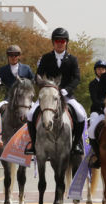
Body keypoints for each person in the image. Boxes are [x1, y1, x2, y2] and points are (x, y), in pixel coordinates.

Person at [25, 27, 87, 156]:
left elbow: (76, 78)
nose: (60, 43)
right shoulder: (46, 58)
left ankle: (76, 144)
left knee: (81, 114)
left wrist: (66, 90)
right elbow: (38, 76)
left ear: (66, 42)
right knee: (30, 114)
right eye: (57, 41)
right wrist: (45, 87)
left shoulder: (72, 59)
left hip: (66, 95)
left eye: (62, 41)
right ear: (53, 42)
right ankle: (33, 143)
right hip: (48, 96)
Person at [0, 45, 34, 112]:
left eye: (16, 55)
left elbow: (33, 81)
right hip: (9, 99)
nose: (13, 57)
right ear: (8, 56)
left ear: (19, 56)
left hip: (25, 98)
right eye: (11, 55)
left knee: (35, 111)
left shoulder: (26, 68)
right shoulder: (3, 70)